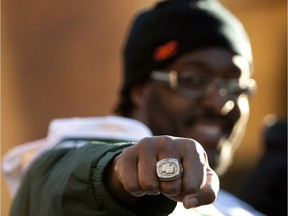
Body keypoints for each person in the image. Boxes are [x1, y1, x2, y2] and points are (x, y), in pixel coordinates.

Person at [2, 0, 264, 215]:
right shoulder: (71, 152)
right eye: (194, 80)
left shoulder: (233, 207)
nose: (220, 103)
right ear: (140, 90)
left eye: (235, 86)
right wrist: (117, 178)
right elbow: (60, 188)